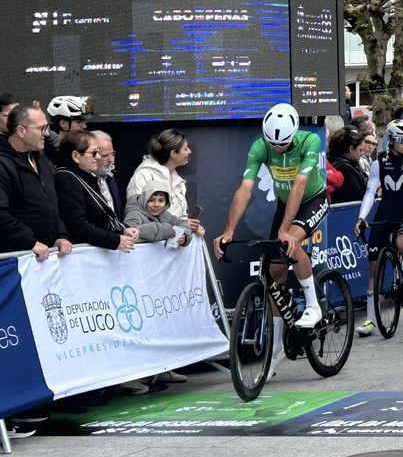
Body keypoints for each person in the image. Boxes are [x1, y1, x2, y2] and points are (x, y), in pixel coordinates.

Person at [215, 103, 327, 329]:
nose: (276, 147)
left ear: (293, 134)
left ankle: (313, 306)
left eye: (282, 144)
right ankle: (276, 346)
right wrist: (228, 231)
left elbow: (299, 185)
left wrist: (285, 230)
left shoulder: (309, 141)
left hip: (313, 199)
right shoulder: (260, 146)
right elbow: (245, 189)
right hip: (285, 202)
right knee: (275, 274)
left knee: (291, 242)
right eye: (271, 143)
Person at [355, 120, 403, 337]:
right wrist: (361, 217)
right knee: (374, 267)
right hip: (384, 214)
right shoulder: (379, 162)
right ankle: (370, 319)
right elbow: (370, 192)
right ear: (392, 141)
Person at [0, 105, 72, 261]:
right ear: (21, 131)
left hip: (48, 255)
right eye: (41, 128)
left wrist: (60, 235)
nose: (46, 133)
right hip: (16, 259)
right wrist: (30, 242)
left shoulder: (42, 159)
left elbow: (54, 203)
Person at [55, 131, 137, 252]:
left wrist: (122, 229)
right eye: (94, 153)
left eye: (98, 152)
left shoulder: (85, 177)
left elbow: (101, 215)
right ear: (76, 156)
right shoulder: (66, 178)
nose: (98, 157)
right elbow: (78, 225)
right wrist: (114, 240)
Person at [126, 129, 191, 220]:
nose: (189, 151)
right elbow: (138, 216)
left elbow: (180, 217)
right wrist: (176, 227)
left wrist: (188, 227)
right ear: (173, 154)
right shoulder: (143, 175)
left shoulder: (178, 181)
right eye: (185, 148)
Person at [125, 180, 203, 246]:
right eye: (151, 200)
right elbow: (131, 232)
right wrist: (168, 231)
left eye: (161, 200)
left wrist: (184, 236)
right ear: (143, 199)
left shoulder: (164, 214)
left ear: (166, 202)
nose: (156, 205)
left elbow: (183, 223)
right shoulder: (133, 213)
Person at [43, 95, 89, 169]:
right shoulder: (48, 152)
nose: (84, 126)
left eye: (84, 122)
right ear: (63, 124)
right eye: (79, 122)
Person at [326, 126, 368, 203]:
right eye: (360, 150)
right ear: (351, 148)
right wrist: (376, 194)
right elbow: (356, 195)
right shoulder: (344, 168)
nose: (362, 154)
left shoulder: (348, 164)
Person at [89, 131, 124, 217]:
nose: (111, 160)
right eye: (105, 155)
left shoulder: (109, 177)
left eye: (112, 154)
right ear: (92, 155)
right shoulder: (81, 183)